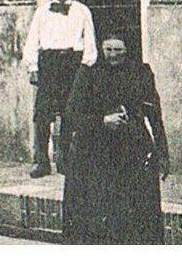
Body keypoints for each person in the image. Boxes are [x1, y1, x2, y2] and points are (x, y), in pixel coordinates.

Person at [60, 31, 169, 244]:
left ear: (127, 50)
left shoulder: (141, 73)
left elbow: (155, 115)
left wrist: (162, 153)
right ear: (102, 49)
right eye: (108, 50)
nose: (113, 55)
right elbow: (72, 115)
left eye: (118, 50)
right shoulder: (89, 74)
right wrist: (102, 120)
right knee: (102, 212)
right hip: (97, 152)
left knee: (136, 214)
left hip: (132, 150)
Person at [22, 0, 97, 178]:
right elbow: (32, 41)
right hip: (49, 64)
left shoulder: (82, 11)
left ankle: (64, 159)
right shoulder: (42, 12)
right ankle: (42, 162)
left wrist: (86, 67)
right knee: (43, 115)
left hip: (72, 64)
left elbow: (89, 41)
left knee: (69, 112)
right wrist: (33, 67)